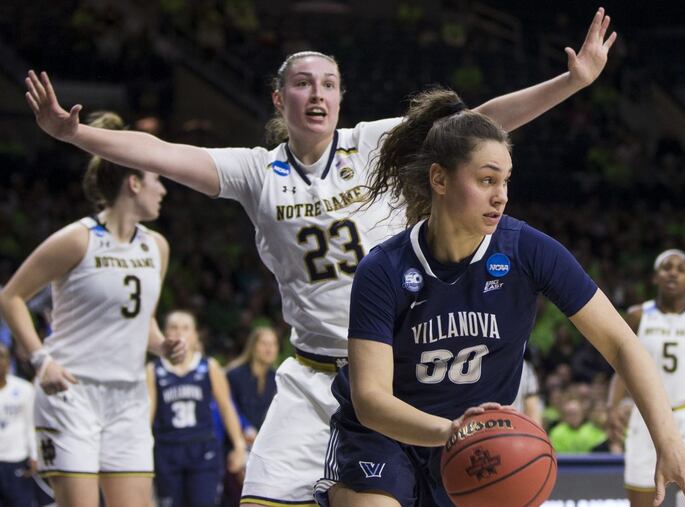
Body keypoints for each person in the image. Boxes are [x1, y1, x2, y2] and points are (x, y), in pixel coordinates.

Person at [25, 9, 617, 505]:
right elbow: (160, 150)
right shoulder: (256, 171)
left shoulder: (374, 143)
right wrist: (78, 136)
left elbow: (479, 125)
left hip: (397, 380)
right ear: (280, 99)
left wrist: (572, 83)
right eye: (305, 84)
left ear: (341, 97)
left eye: (330, 84)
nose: (319, 94)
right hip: (313, 376)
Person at [315, 89, 685, 507]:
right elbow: (371, 401)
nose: (501, 195)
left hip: (479, 446)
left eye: (505, 181)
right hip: (385, 439)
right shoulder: (383, 268)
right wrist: (449, 431)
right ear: (439, 179)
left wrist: (669, 441)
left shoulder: (526, 250)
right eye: (486, 180)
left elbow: (622, 343)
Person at [0, 112, 185, 507]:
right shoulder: (77, 239)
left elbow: (142, 320)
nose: (163, 190)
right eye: (157, 180)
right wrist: (40, 359)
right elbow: (10, 297)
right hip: (73, 392)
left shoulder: (157, 247)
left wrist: (162, 346)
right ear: (134, 183)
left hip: (130, 397)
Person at [607, 249, 685, 507]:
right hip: (647, 415)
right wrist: (612, 406)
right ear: (656, 277)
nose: (673, 273)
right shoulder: (638, 315)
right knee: (643, 498)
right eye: (667, 267)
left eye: (680, 269)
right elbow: (623, 367)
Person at [147, 310, 248, 507]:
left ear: (195, 336)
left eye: (185, 328)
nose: (179, 333)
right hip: (167, 449)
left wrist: (238, 445)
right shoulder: (154, 370)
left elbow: (227, 407)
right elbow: (146, 416)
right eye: (173, 328)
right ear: (163, 333)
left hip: (202, 449)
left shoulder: (208, 366)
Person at [225, 326, 280, 447]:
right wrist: (246, 427)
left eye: (273, 344)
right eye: (264, 343)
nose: (269, 349)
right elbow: (228, 406)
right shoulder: (234, 374)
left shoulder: (278, 378)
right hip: (235, 442)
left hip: (264, 444)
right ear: (253, 346)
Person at [0, 344, 37, 507]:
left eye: (1, 356)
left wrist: (35, 455)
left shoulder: (24, 389)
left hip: (16, 459)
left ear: (9, 360)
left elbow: (32, 424)